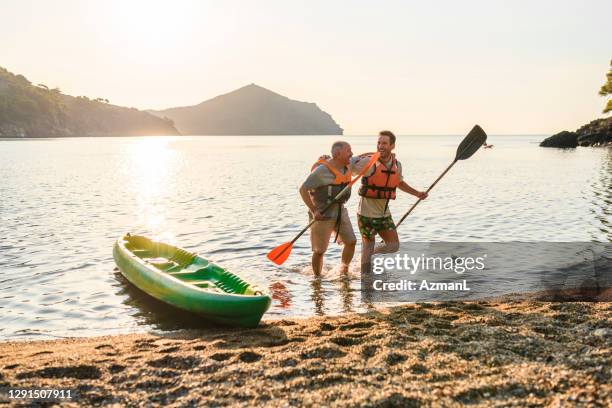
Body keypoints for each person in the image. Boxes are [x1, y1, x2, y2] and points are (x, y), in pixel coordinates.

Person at [351, 130, 428, 270]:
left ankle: (368, 254)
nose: (380, 146)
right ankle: (366, 284)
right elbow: (348, 168)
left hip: (384, 214)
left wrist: (417, 193)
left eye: (384, 143)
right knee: (368, 248)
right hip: (365, 215)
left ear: (392, 146)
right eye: (379, 143)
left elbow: (398, 183)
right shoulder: (369, 162)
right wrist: (357, 157)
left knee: (393, 246)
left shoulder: (397, 165)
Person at [299, 141, 357, 275]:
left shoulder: (349, 164)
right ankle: (317, 279)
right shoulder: (321, 172)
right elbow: (303, 189)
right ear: (337, 154)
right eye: (348, 151)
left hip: (340, 211)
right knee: (319, 251)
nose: (351, 154)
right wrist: (314, 210)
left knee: (351, 241)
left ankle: (344, 270)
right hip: (322, 214)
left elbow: (366, 158)